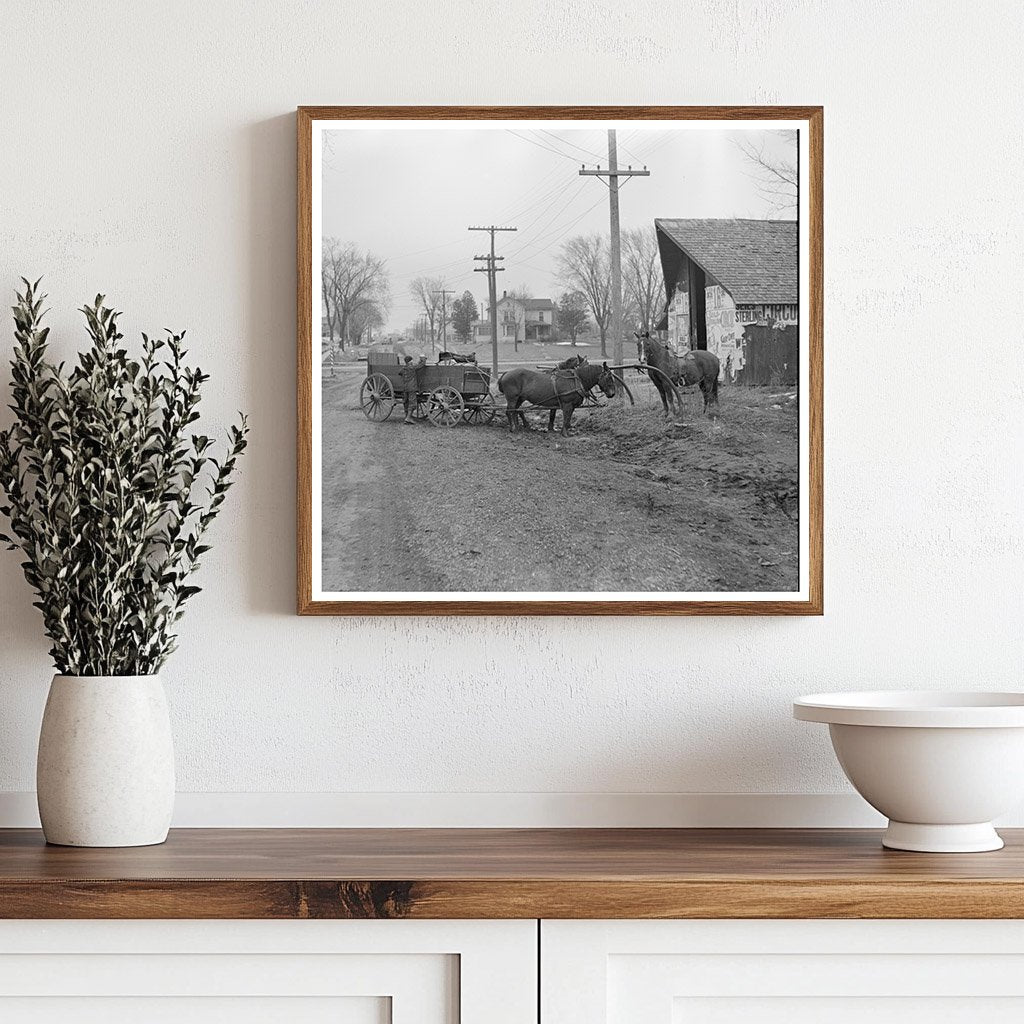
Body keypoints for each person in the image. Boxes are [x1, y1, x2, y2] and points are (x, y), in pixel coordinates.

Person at [399, 354, 425, 424]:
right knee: (412, 403)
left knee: (406, 401)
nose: (412, 361)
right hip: (411, 388)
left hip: (405, 388)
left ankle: (407, 416)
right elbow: (421, 365)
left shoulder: (403, 368)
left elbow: (400, 373)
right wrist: (423, 359)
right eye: (411, 360)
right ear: (410, 361)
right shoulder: (412, 368)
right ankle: (408, 418)